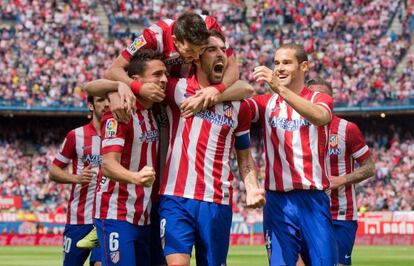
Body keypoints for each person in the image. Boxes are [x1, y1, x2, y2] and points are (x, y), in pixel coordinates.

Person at [159, 30, 265, 266]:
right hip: (176, 197)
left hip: (217, 200)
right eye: (212, 49)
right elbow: (140, 78)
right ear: (196, 57)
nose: (221, 54)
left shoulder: (240, 106)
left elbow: (245, 158)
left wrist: (252, 188)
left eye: (223, 49)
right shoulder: (176, 89)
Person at [249, 43, 337, 266]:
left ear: (304, 66)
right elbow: (238, 101)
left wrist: (280, 89)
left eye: (286, 62)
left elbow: (320, 117)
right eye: (276, 63)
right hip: (277, 201)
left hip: (313, 200)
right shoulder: (265, 103)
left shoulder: (319, 98)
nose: (279, 68)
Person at [85, 50, 168, 266]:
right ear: (136, 81)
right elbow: (108, 164)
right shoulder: (120, 112)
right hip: (116, 213)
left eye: (165, 74)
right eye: (157, 74)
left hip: (145, 215)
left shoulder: (154, 112)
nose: (164, 80)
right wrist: (136, 177)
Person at [105, 12, 239, 120]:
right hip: (161, 96)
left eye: (201, 50)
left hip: (193, 90)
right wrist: (139, 88)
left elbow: (233, 67)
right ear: (175, 40)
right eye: (189, 51)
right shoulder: (153, 36)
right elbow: (114, 70)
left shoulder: (209, 26)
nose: (196, 56)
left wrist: (217, 90)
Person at [308, 78, 375, 266]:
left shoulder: (347, 129)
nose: (317, 101)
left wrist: (342, 179)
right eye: (312, 96)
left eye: (322, 97)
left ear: (331, 101)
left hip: (340, 214)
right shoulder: (297, 128)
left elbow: (370, 167)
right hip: (308, 211)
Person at [49, 95, 108, 266]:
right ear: (91, 106)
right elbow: (53, 171)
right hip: (78, 218)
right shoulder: (76, 135)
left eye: (108, 100)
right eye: (100, 100)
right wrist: (76, 178)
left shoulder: (119, 135)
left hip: (106, 217)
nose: (106, 104)